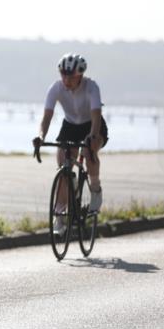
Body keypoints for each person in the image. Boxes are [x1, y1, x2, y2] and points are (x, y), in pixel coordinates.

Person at [33, 53, 108, 235]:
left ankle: (96, 189)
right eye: (63, 75)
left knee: (90, 151)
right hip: (70, 126)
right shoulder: (55, 88)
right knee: (63, 168)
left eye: (70, 76)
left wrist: (92, 136)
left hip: (92, 124)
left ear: (80, 75)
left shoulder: (91, 87)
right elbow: (47, 117)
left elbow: (96, 116)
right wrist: (41, 136)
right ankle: (59, 215)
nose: (66, 80)